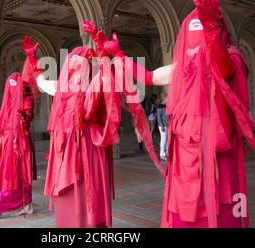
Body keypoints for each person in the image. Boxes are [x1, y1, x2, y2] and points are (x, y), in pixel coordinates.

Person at [91, 0, 255, 228]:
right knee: (186, 211)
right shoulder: (183, 69)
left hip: (214, 154)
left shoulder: (231, 56)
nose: (192, 45)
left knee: (217, 211)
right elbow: (148, 77)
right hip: (184, 158)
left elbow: (223, 70)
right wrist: (119, 55)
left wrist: (211, 29)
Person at [23, 34, 163, 228]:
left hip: (89, 146)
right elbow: (42, 83)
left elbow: (108, 83)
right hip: (70, 151)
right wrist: (32, 59)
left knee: (89, 192)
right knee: (71, 194)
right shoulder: (63, 88)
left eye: (80, 65)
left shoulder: (96, 86)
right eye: (74, 66)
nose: (76, 70)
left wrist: (103, 53)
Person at [0, 71, 37, 223]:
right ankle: (27, 205)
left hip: (19, 145)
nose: (11, 90)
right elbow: (0, 120)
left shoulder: (27, 99)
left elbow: (25, 120)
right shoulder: (10, 102)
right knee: (12, 174)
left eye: (14, 86)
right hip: (8, 144)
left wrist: (21, 115)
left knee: (12, 175)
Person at [156, 93, 169, 160]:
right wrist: (161, 125)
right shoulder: (160, 106)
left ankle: (167, 153)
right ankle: (162, 154)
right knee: (163, 140)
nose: (168, 99)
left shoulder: (167, 106)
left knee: (167, 140)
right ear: (164, 98)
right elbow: (159, 117)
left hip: (168, 125)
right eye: (168, 98)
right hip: (163, 126)